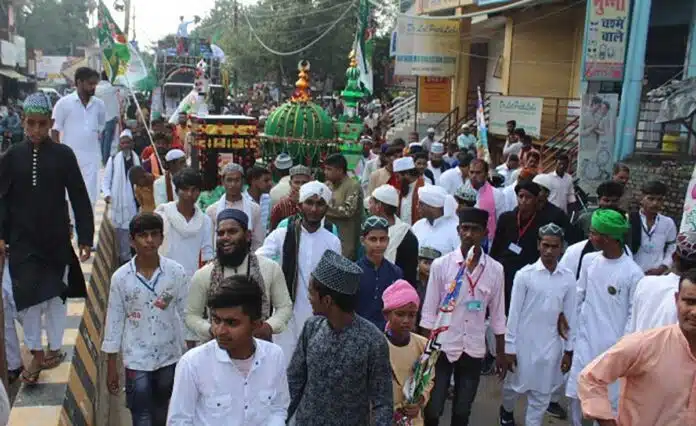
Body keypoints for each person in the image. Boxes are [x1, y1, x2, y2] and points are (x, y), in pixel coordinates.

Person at [0, 92, 94, 384]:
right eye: (31, 124)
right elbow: (2, 200)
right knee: (27, 298)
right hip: (22, 241)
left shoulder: (63, 155)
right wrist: (2, 237)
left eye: (42, 124)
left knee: (55, 296)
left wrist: (85, 237)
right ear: (24, 124)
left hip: (55, 240)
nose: (37, 130)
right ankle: (36, 354)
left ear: (51, 122)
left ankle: (54, 349)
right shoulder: (12, 156)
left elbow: (79, 195)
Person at [420, 208, 506, 426]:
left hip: (473, 348)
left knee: (462, 411)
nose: (469, 234)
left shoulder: (495, 270)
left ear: (485, 233)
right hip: (442, 347)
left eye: (475, 230)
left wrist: (501, 353)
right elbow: (429, 311)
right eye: (465, 229)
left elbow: (497, 315)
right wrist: (423, 352)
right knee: (433, 407)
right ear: (458, 230)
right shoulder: (442, 265)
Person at [287, 249, 393, 425]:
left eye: (312, 293)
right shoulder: (311, 328)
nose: (309, 298)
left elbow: (382, 402)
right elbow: (294, 381)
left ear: (327, 300)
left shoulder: (373, 341)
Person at [578, 269, 696, 426]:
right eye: (689, 302)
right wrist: (607, 422)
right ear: (676, 300)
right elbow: (591, 378)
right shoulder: (647, 344)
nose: (694, 312)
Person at [102, 213, 188, 426]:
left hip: (170, 355)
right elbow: (114, 321)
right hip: (136, 359)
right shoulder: (121, 278)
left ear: (161, 238)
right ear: (132, 241)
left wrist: (191, 354)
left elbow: (186, 313)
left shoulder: (176, 273)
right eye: (143, 235)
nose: (149, 240)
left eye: (154, 234)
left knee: (163, 412)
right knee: (141, 416)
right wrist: (111, 365)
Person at [169, 275, 290, 425]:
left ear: (256, 324)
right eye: (216, 320)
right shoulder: (192, 364)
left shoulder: (274, 356)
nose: (220, 331)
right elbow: (179, 421)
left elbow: (278, 409)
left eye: (232, 323)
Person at [565, 209, 644, 426]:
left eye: (594, 232)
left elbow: (632, 316)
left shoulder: (633, 273)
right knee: (577, 401)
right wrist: (571, 334)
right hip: (584, 343)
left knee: (605, 407)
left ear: (609, 238)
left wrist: (622, 351)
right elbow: (578, 298)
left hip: (611, 350)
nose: (590, 236)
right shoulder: (590, 261)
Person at [499, 223, 576, 426]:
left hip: (551, 346)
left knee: (541, 395)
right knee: (513, 389)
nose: (549, 251)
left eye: (555, 246)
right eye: (546, 245)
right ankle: (506, 411)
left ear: (562, 248)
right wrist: (509, 347)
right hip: (523, 343)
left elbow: (570, 316)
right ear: (538, 245)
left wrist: (569, 349)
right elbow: (513, 314)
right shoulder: (525, 275)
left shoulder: (568, 278)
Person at [256, 181, 341, 362]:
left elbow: (335, 280)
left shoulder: (332, 241)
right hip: (287, 311)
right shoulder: (282, 234)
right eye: (309, 203)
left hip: (319, 314)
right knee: (284, 363)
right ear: (300, 205)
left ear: (326, 208)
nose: (314, 209)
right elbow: (258, 261)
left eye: (320, 204)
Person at [185, 209, 292, 343]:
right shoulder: (204, 274)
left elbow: (284, 307)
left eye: (232, 231)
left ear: (247, 235)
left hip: (259, 346)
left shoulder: (269, 268)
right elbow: (191, 315)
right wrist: (211, 330)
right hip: (217, 348)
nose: (225, 237)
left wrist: (269, 327)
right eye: (221, 233)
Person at [51, 67, 105, 210]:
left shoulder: (99, 105)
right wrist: (58, 155)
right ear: (79, 82)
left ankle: (85, 232)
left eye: (95, 84)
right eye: (90, 83)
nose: (94, 87)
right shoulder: (64, 104)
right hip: (69, 159)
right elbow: (55, 131)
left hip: (92, 160)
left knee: (90, 198)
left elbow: (100, 127)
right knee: (70, 199)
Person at [383, 280, 433, 425]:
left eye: (411, 315)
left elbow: (428, 379)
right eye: (400, 314)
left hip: (413, 419)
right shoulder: (377, 345)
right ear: (386, 315)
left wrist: (420, 400)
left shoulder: (423, 345)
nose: (406, 320)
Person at [490, 180, 544, 313]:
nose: (524, 201)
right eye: (521, 196)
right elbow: (496, 246)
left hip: (527, 272)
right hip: (504, 271)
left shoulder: (542, 223)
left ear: (536, 199)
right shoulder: (506, 218)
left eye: (528, 197)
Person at [155, 168, 214, 289]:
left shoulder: (205, 221)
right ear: (177, 191)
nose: (189, 195)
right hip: (164, 281)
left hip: (193, 283)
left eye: (194, 190)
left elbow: (207, 256)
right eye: (185, 189)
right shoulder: (162, 216)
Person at [629, 231, 696, 333]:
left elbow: (632, 325)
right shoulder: (689, 296)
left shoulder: (645, 283)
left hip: (637, 346)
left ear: (674, 257)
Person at [356, 216, 403, 329]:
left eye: (382, 239)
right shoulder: (354, 272)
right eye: (373, 239)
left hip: (386, 335)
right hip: (359, 334)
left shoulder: (395, 272)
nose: (378, 244)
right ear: (363, 241)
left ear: (388, 240)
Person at [368, 184, 419, 285]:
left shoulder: (406, 236)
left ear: (379, 206)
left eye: (371, 203)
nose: (369, 208)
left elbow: (409, 278)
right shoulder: (370, 229)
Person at [103, 129, 140, 264]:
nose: (125, 145)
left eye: (127, 143)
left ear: (131, 144)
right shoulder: (113, 160)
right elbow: (106, 181)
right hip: (117, 203)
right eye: (123, 143)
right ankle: (122, 259)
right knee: (119, 234)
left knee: (131, 232)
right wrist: (107, 195)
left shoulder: (137, 160)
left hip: (132, 204)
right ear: (120, 144)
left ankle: (128, 259)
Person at [207, 162, 264, 251]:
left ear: (243, 181)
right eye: (229, 180)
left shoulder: (254, 209)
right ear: (223, 182)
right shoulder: (212, 210)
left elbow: (258, 242)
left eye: (237, 180)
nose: (233, 184)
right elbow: (209, 243)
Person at [631, 180, 677, 275]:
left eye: (659, 200)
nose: (655, 203)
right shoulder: (630, 220)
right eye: (651, 199)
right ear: (641, 199)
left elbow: (672, 248)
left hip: (657, 275)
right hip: (632, 272)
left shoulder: (668, 223)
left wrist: (663, 267)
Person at [325, 153, 363, 260]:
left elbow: (348, 211)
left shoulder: (352, 186)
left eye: (329, 169)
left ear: (340, 170)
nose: (325, 172)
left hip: (346, 239)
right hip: (331, 235)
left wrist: (324, 208)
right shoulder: (329, 184)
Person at [412, 185, 460, 255]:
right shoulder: (418, 225)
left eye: (421, 204)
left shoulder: (455, 230)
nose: (417, 207)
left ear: (433, 206)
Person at [533, 174, 578, 244]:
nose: (534, 193)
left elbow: (570, 237)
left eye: (538, 190)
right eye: (533, 189)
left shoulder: (557, 214)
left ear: (547, 193)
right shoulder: (526, 209)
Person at [469, 159, 505, 241]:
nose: (474, 176)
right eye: (471, 172)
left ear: (486, 174)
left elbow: (501, 222)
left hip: (489, 242)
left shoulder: (497, 194)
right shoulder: (461, 191)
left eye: (478, 173)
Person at [270, 165, 311, 230]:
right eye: (297, 182)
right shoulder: (281, 205)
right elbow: (273, 231)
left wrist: (299, 203)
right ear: (290, 183)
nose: (300, 186)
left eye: (304, 182)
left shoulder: (315, 203)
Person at [95, 71, 122, 165]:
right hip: (110, 117)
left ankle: (102, 158)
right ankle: (106, 160)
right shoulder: (111, 87)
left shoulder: (96, 88)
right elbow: (122, 86)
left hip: (100, 118)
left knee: (102, 139)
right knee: (108, 140)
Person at [394, 156, 428, 225]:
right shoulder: (402, 189)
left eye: (398, 176)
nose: (397, 180)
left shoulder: (424, 189)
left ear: (407, 174)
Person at [414, 246, 441, 327]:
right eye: (426, 263)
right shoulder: (412, 278)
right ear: (418, 262)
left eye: (432, 264)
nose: (429, 268)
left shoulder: (438, 281)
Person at [244, 166, 273, 238]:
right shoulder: (243, 200)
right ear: (253, 181)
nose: (270, 184)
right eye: (266, 180)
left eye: (270, 180)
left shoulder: (269, 199)